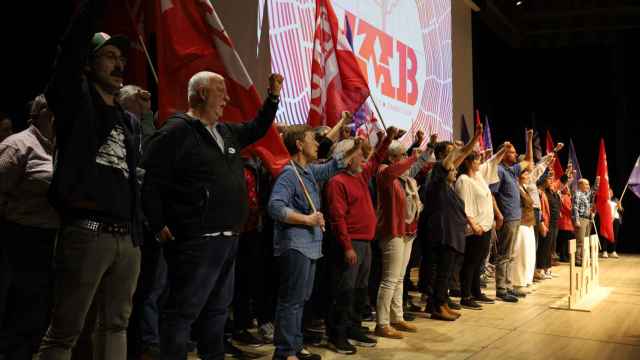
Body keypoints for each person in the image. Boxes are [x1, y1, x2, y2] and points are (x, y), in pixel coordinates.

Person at [38, 1, 145, 358]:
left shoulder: (126, 120)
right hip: (86, 232)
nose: (119, 65)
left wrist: (137, 232)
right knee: (66, 331)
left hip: (126, 238)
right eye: (110, 56)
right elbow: (68, 50)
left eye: (122, 59)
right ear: (88, 63)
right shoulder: (75, 102)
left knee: (116, 326)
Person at [268, 124, 361, 360]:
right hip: (295, 246)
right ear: (299, 144)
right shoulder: (290, 174)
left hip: (308, 248)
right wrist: (308, 219)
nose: (318, 144)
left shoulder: (307, 171)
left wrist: (355, 148)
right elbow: (275, 207)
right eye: (313, 139)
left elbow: (333, 166)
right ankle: (284, 351)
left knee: (300, 300)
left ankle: (295, 346)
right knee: (291, 301)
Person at [324, 130, 394, 354]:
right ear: (347, 157)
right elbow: (337, 218)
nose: (364, 159)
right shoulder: (337, 182)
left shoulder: (361, 176)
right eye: (359, 155)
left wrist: (388, 140)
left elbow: (376, 159)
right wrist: (346, 246)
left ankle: (353, 327)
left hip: (365, 243)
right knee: (344, 291)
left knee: (359, 290)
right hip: (351, 244)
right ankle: (337, 335)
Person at [0, 95, 58, 359]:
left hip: (57, 239)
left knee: (43, 312)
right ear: (35, 115)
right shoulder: (17, 144)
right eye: (50, 107)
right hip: (23, 237)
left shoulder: (66, 145)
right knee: (22, 310)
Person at [455, 142, 508, 310]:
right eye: (477, 160)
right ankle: (466, 296)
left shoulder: (478, 177)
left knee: (479, 262)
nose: (480, 162)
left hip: (485, 227)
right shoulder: (463, 180)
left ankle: (476, 291)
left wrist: (502, 150)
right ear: (469, 162)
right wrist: (472, 223)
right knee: (470, 262)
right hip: (474, 228)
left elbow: (491, 162)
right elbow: (462, 205)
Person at [490, 130, 533, 302]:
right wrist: (499, 215)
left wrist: (529, 140)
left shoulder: (512, 171)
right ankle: (501, 289)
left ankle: (508, 286)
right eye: (512, 151)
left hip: (516, 217)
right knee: (503, 255)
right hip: (507, 217)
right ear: (504, 153)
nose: (516, 154)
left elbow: (529, 162)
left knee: (510, 255)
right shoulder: (499, 170)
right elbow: (492, 194)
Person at [572, 177, 599, 266]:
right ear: (580, 185)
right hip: (581, 219)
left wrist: (597, 182)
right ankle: (578, 260)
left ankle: (584, 258)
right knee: (580, 241)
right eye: (586, 184)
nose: (588, 186)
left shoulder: (585, 194)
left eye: (588, 184)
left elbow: (593, 192)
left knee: (586, 241)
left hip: (587, 219)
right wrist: (576, 220)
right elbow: (575, 208)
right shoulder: (578, 194)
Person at [601, 188, 622, 258]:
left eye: (611, 193)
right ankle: (604, 251)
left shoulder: (616, 200)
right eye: (608, 193)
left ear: (612, 194)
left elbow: (621, 210)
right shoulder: (604, 201)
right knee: (606, 235)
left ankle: (613, 251)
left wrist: (619, 206)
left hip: (615, 219)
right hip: (607, 219)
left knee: (614, 236)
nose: (609, 194)